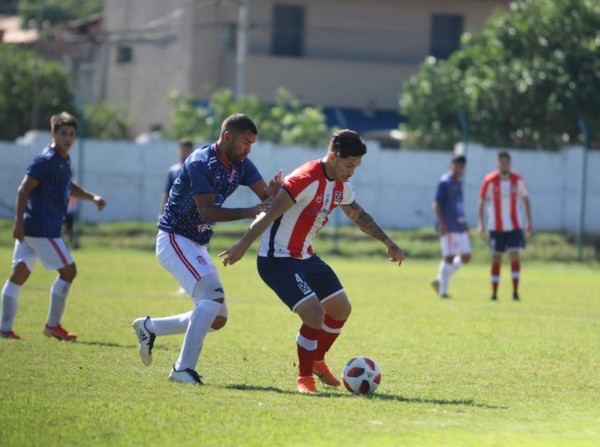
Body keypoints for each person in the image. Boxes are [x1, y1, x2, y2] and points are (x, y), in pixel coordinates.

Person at [219, 129, 405, 394]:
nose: (352, 171)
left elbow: (358, 215)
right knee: (314, 314)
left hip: (306, 256)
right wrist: (242, 245)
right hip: (277, 260)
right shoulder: (305, 179)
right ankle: (304, 378)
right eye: (349, 164)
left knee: (341, 309)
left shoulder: (342, 186)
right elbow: (270, 213)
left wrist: (389, 242)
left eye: (357, 166)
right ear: (333, 156)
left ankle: (317, 360)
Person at [132, 113, 282, 386]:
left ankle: (149, 327)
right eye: (245, 143)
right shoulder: (201, 163)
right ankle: (182, 369)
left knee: (218, 317)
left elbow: (266, 199)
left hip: (196, 242)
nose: (248, 149)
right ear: (227, 137)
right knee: (211, 300)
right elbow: (207, 211)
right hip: (174, 238)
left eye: (252, 144)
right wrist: (248, 212)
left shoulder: (242, 164)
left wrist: (272, 192)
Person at [1, 111, 106, 340]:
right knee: (69, 271)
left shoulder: (62, 160)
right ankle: (52, 326)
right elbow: (23, 189)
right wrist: (18, 223)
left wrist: (93, 197)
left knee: (18, 275)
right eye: (63, 133)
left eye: (71, 134)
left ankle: (4, 329)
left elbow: (69, 187)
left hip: (35, 229)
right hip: (43, 229)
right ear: (53, 133)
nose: (68, 138)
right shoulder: (47, 160)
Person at [477, 151, 532, 301]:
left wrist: (528, 223)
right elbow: (481, 201)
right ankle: (494, 293)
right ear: (497, 163)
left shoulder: (518, 180)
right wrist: (480, 223)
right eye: (501, 162)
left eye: (506, 162)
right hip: (496, 226)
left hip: (514, 225)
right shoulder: (489, 180)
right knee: (496, 258)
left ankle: (515, 292)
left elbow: (526, 200)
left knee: (514, 255)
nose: (504, 164)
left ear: (510, 163)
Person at [429, 155, 471, 298]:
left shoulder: (458, 183)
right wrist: (442, 224)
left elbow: (458, 206)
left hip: (459, 225)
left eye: (461, 166)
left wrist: (465, 224)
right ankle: (443, 292)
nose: (459, 169)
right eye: (456, 165)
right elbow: (436, 204)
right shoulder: (445, 182)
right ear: (451, 165)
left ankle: (440, 280)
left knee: (466, 256)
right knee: (449, 257)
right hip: (448, 225)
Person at [159, 138, 194, 215]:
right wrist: (162, 212)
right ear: (178, 151)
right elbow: (167, 192)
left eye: (187, 151)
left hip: (191, 211)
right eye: (183, 151)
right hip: (175, 211)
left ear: (192, 152)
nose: (184, 154)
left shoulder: (195, 170)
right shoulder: (173, 170)